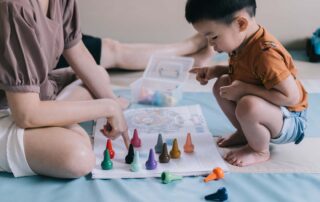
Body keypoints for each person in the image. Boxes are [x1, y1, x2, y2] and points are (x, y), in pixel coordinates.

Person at [0, 0, 211, 178]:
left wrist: (114, 104)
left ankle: (53, 121)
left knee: (98, 75)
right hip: (15, 107)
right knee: (79, 156)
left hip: (30, 94)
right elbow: (26, 114)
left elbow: (77, 51)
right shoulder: (14, 6)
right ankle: (53, 124)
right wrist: (107, 107)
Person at [186, 0, 308, 166]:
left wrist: (245, 89)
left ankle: (259, 150)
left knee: (248, 105)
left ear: (240, 23)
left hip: (291, 119)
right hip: (273, 110)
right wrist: (216, 70)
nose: (211, 44)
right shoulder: (243, 42)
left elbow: (291, 97)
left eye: (214, 37)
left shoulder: (266, 55)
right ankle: (246, 132)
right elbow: (247, 72)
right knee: (222, 84)